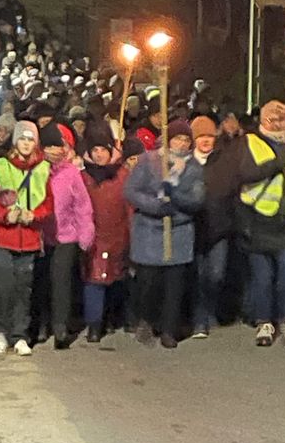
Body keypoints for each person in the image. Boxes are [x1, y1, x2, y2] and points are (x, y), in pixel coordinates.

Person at [124, 120, 204, 347]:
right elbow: (131, 190)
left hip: (178, 231)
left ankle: (169, 328)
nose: (182, 143)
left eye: (186, 140)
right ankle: (146, 320)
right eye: (178, 139)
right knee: (149, 282)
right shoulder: (148, 161)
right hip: (150, 232)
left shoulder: (194, 167)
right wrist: (156, 205)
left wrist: (175, 198)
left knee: (174, 285)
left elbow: (197, 198)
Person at [0, 120, 54, 357]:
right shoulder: (0, 166)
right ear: (15, 141)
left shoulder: (43, 168)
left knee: (24, 288)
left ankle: (19, 335)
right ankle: (1, 330)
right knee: (4, 286)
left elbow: (48, 203)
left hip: (29, 238)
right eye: (22, 138)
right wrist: (4, 215)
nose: (26, 143)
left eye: (31, 139)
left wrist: (35, 215)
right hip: (2, 237)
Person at [238, 99, 285, 348]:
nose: (277, 123)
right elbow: (245, 174)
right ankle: (264, 321)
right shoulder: (250, 142)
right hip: (259, 218)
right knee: (263, 277)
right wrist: (276, 164)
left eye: (282, 119)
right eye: (272, 119)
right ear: (262, 120)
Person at [40, 122, 95, 349]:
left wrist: (85, 232)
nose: (55, 150)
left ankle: (60, 327)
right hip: (40, 235)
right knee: (42, 281)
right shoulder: (36, 171)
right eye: (49, 146)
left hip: (66, 236)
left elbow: (82, 205)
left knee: (61, 281)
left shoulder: (71, 173)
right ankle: (42, 324)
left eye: (58, 145)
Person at [80, 121, 131, 343]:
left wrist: (131, 233)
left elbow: (130, 206)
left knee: (115, 278)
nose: (99, 154)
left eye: (103, 149)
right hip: (93, 235)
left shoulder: (122, 175)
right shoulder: (84, 177)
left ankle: (112, 317)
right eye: (95, 150)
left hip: (119, 233)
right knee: (94, 279)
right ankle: (94, 324)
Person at [190, 114, 240, 338]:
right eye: (201, 136)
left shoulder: (224, 161)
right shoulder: (186, 162)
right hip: (194, 227)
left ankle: (211, 308)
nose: (205, 140)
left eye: (209, 136)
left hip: (220, 227)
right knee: (198, 276)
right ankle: (200, 319)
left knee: (216, 275)